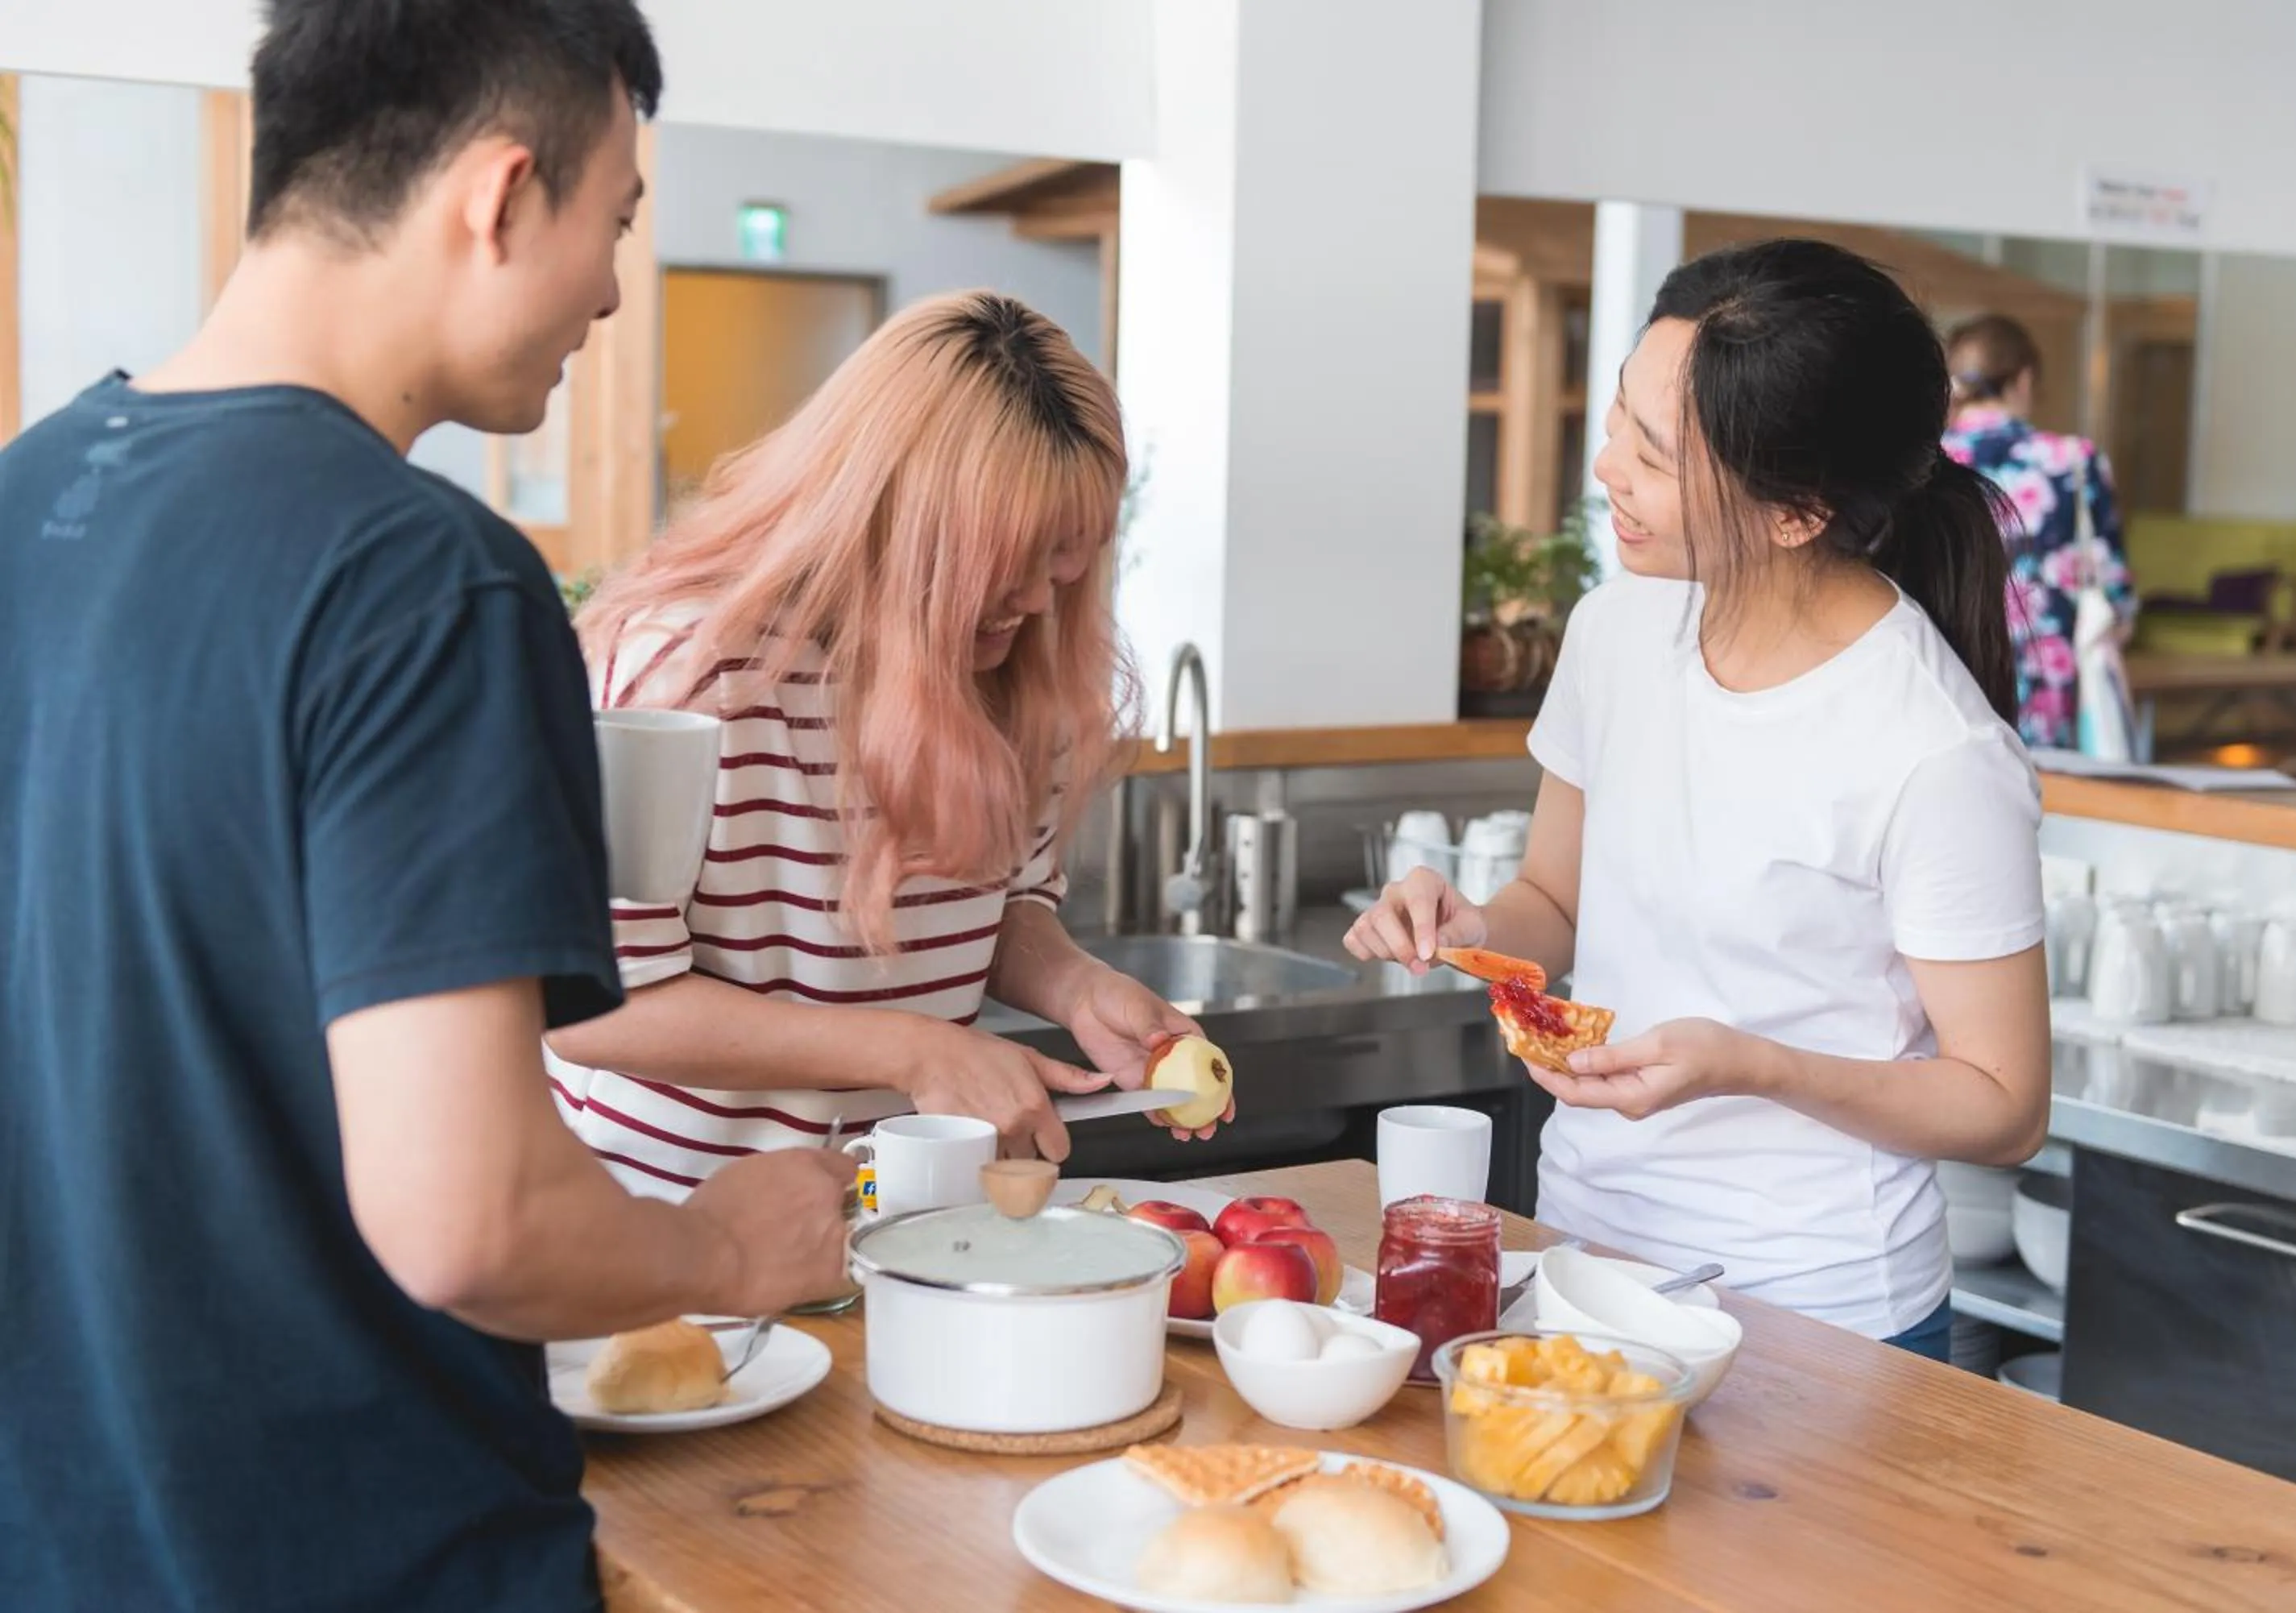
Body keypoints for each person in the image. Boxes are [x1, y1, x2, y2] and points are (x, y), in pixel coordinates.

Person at [0, 5, 856, 1609]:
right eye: (611, 221)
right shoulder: (424, 576)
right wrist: (730, 1248)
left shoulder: (23, 499)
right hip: (356, 1552)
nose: (609, 287)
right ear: (500, 192)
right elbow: (472, 1217)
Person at [1347, 239, 2051, 1362]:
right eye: (1618, 418)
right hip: (1585, 1257)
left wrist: (1753, 1063)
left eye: (1654, 454)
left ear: (1797, 511)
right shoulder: (1617, 630)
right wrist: (1472, 925)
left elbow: (2006, 1103)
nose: (1605, 468)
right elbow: (1556, 901)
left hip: (1820, 1312)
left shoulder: (1935, 748)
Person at [549, 291, 1218, 1186]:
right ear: (897, 521)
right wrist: (910, 1051)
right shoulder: (688, 672)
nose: (1039, 597)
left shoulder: (1018, 672)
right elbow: (592, 1001)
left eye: (1067, 555)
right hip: (666, 1231)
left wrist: (1075, 987)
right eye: (1011, 554)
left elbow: (1003, 905)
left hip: (895, 1220)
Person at [1942, 313, 2136, 750]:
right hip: (2050, 684)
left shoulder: (1926, 463)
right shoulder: (2075, 461)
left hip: (1946, 675)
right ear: (2024, 380)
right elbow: (2116, 594)